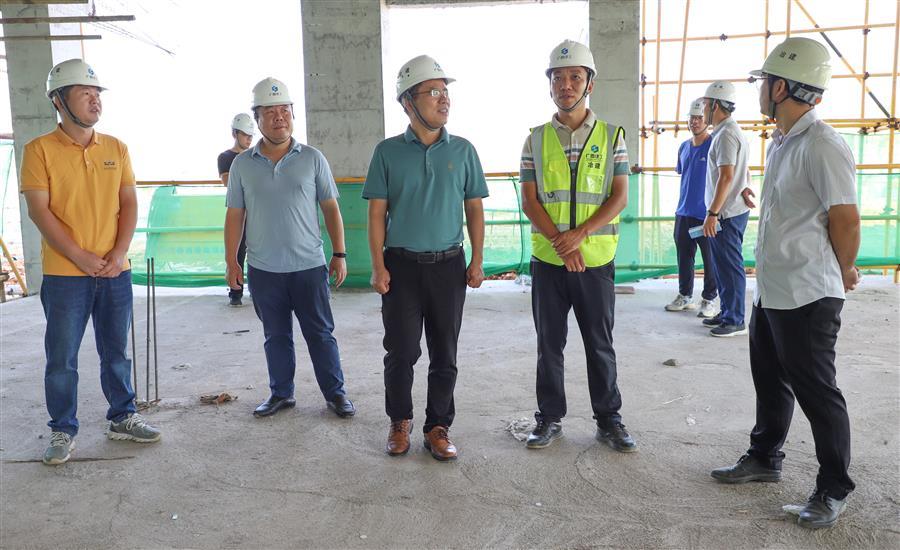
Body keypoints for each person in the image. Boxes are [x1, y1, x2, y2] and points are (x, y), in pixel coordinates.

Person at [711, 37, 860, 530]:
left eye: (763, 82)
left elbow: (845, 218)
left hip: (809, 293)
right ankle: (764, 457)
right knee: (770, 379)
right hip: (773, 290)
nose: (759, 91)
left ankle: (833, 488)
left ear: (779, 88)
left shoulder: (822, 144)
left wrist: (845, 267)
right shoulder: (782, 141)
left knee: (817, 391)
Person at [21, 59, 161, 466]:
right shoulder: (39, 150)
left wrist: (118, 253)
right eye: (85, 93)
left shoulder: (116, 148)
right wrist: (79, 256)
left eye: (97, 93)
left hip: (115, 271)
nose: (95, 99)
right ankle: (63, 429)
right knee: (61, 358)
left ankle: (123, 417)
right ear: (59, 100)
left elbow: (129, 202)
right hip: (66, 274)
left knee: (116, 351)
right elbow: (39, 211)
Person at [363, 55, 488, 461]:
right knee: (401, 352)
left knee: (444, 353)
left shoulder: (464, 150)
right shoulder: (387, 152)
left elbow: (474, 209)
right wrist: (378, 266)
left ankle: (438, 427)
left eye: (445, 91)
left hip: (449, 265)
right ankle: (399, 422)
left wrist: (477, 260)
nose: (443, 99)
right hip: (400, 266)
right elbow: (377, 213)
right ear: (408, 102)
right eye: (433, 91)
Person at [519, 40, 636, 453]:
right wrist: (562, 244)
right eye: (558, 77)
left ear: (590, 84)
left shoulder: (612, 136)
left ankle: (609, 420)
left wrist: (580, 235)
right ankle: (549, 418)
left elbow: (619, 197)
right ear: (549, 84)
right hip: (549, 262)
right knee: (549, 346)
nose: (565, 84)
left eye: (574, 76)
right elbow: (529, 200)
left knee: (599, 345)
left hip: (595, 261)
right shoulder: (534, 140)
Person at [224, 77, 355, 419]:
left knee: (321, 334)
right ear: (257, 119)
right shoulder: (242, 165)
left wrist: (339, 254)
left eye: (284, 110)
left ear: (293, 114)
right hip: (264, 269)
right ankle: (281, 393)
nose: (279, 117)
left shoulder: (312, 158)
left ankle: (336, 394)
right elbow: (235, 215)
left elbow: (331, 208)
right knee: (275, 336)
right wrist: (232, 262)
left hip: (309, 266)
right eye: (270, 112)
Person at [700, 80, 754, 337]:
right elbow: (741, 169)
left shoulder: (726, 135)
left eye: (705, 105)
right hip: (729, 210)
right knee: (722, 265)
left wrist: (712, 213)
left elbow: (726, 176)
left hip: (726, 214)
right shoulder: (729, 131)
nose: (703, 110)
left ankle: (735, 319)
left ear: (715, 105)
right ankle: (727, 311)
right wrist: (746, 186)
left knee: (730, 266)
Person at [665, 98, 717, 318]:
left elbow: (727, 175)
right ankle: (685, 295)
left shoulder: (714, 145)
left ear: (707, 121)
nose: (694, 122)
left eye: (699, 118)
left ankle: (709, 299)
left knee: (710, 259)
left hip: (706, 215)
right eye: (692, 118)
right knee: (684, 257)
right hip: (683, 212)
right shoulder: (684, 147)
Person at [218, 113, 254, 307]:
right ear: (235, 134)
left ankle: (257, 289)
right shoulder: (226, 157)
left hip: (257, 211)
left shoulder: (255, 156)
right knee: (237, 252)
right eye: (245, 135)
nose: (249, 139)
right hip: (239, 211)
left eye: (251, 135)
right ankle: (236, 292)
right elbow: (228, 183)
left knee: (258, 252)